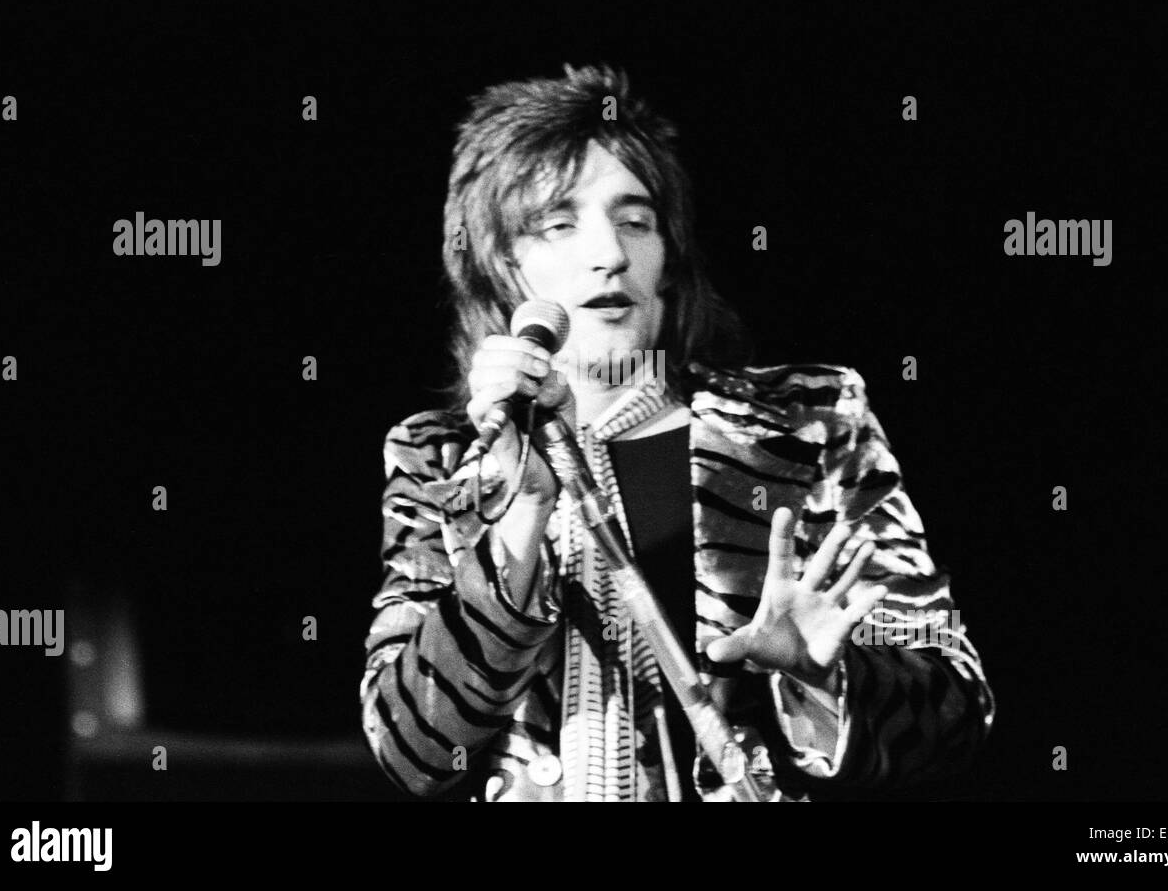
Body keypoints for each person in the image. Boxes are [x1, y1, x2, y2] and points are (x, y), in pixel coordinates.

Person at [360, 63, 995, 801]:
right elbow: (414, 749)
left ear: (668, 255)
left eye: (636, 220)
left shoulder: (804, 422)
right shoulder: (440, 459)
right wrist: (520, 520)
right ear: (504, 265)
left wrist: (821, 676)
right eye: (558, 224)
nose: (609, 253)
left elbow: (955, 699)